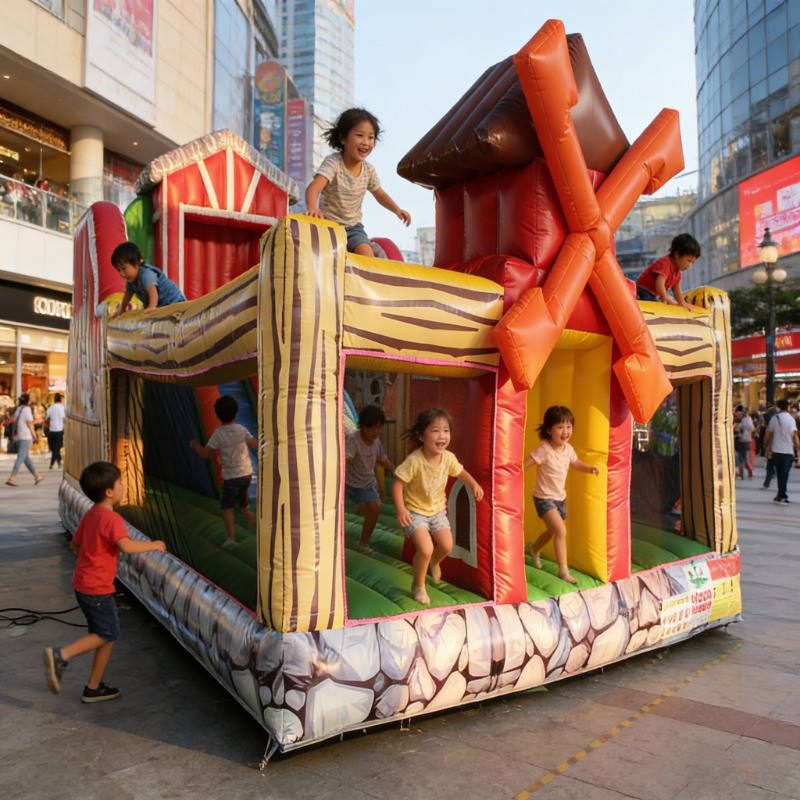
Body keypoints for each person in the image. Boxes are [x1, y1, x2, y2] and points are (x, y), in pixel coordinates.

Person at [43, 461, 166, 702]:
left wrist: (93, 558)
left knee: (105, 635)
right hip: (96, 588)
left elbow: (75, 545)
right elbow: (126, 546)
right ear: (109, 492)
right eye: (120, 483)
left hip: (83, 584)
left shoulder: (91, 514)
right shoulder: (112, 519)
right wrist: (154, 545)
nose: (123, 486)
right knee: (107, 632)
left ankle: (93, 687)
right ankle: (61, 655)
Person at [392, 407, 484, 605]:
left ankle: (434, 561)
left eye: (446, 430)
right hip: (415, 512)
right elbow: (397, 483)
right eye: (435, 431)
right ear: (421, 436)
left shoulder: (448, 458)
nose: (442, 435)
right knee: (425, 548)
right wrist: (401, 509)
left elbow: (460, 472)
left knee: (447, 545)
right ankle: (418, 585)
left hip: (437, 512)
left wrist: (474, 484)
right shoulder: (415, 461)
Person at [305, 107, 411, 258]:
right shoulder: (333, 163)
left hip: (353, 228)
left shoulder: (369, 171)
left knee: (366, 253)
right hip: (328, 225)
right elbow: (313, 189)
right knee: (326, 255)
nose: (366, 142)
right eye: (360, 135)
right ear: (343, 138)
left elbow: (380, 195)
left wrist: (397, 210)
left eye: (371, 137)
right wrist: (312, 208)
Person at [525, 405, 600, 584]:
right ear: (549, 430)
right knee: (560, 530)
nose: (565, 431)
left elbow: (576, 463)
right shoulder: (544, 449)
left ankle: (534, 548)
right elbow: (526, 464)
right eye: (560, 427)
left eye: (568, 427)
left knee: (553, 531)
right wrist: (511, 472)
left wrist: (589, 468)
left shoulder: (568, 449)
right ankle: (563, 571)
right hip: (543, 497)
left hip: (560, 498)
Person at [189, 395, 256, 547]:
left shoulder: (218, 434)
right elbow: (254, 444)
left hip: (231, 477)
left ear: (217, 415)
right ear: (237, 413)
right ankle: (248, 513)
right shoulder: (241, 429)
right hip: (246, 473)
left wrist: (195, 445)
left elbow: (206, 454)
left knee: (227, 507)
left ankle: (231, 538)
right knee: (242, 496)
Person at [345, 404, 395, 554]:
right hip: (349, 484)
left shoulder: (376, 442)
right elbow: (346, 458)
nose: (376, 432)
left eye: (379, 428)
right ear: (362, 427)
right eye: (372, 428)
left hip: (367, 484)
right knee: (363, 509)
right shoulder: (354, 440)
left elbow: (382, 459)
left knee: (375, 507)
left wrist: (394, 470)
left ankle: (363, 542)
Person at [111, 241, 186, 314]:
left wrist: (151, 307)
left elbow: (153, 292)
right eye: (118, 270)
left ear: (136, 264)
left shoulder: (146, 274)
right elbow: (126, 298)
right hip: (161, 305)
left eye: (124, 269)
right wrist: (122, 310)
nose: (121, 274)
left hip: (174, 301)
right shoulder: (131, 281)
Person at [636, 233, 701, 309]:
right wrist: (665, 297)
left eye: (692, 262)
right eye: (688, 260)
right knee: (655, 307)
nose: (690, 265)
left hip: (653, 294)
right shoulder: (666, 263)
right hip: (642, 290)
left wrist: (682, 303)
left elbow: (676, 290)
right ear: (677, 254)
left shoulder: (678, 273)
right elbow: (659, 284)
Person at [764, 398, 800, 504]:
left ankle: (781, 494)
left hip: (776, 450)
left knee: (780, 474)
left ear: (778, 407)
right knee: (784, 474)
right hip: (788, 451)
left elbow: (768, 434)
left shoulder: (774, 418)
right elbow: (795, 436)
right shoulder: (791, 419)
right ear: (788, 407)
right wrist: (798, 447)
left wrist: (765, 445)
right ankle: (782, 494)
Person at [5, 393, 43, 486]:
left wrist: (33, 422)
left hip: (18, 436)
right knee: (21, 457)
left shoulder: (19, 409)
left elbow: (20, 422)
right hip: (25, 437)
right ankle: (12, 478)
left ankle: (37, 476)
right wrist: (35, 436)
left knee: (26, 458)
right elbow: (29, 425)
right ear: (27, 401)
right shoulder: (27, 409)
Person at [45, 392, 66, 469]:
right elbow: (65, 418)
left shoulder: (51, 408)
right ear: (60, 399)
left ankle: (53, 463)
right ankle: (58, 462)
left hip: (52, 430)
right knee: (57, 448)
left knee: (54, 448)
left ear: (54, 399)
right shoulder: (63, 408)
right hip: (60, 430)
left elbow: (47, 418)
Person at [733, 405, 754, 479]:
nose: (741, 413)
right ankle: (742, 473)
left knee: (744, 458)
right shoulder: (742, 419)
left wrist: (741, 428)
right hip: (741, 440)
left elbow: (751, 428)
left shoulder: (747, 419)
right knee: (740, 457)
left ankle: (749, 471)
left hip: (745, 441)